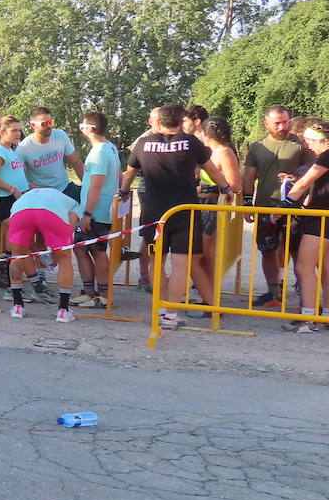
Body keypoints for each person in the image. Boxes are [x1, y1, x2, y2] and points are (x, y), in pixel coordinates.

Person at [118, 103, 229, 330]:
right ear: (181, 123)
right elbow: (213, 170)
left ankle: (160, 309)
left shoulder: (142, 143)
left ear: (158, 122)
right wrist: (226, 189)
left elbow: (129, 175)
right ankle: (170, 315)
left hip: (153, 213)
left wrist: (122, 192)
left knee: (156, 262)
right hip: (184, 212)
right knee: (181, 265)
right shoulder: (191, 142)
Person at [282, 119, 329, 332]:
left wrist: (286, 203)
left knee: (304, 266)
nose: (308, 146)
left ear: (319, 140)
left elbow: (306, 181)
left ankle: (308, 317)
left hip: (324, 219)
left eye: (309, 141)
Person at [241, 105, 303, 308]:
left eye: (285, 121)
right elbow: (249, 176)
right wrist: (248, 202)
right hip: (266, 206)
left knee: (298, 251)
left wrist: (296, 178)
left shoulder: (301, 144)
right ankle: (274, 293)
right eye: (277, 122)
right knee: (268, 250)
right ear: (265, 124)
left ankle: (305, 293)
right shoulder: (257, 147)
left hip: (296, 207)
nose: (283, 126)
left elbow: (313, 170)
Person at [5, 186, 82, 323]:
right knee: (65, 258)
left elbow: (9, 223)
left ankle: (17, 306)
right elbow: (70, 226)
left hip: (20, 210)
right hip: (50, 213)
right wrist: (55, 254)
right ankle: (63, 310)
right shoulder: (74, 204)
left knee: (17, 255)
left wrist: (41, 252)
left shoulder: (26, 197)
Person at [192, 116, 242, 302]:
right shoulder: (209, 153)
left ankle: (208, 298)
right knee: (207, 256)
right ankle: (209, 296)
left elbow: (235, 185)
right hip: (202, 205)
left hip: (213, 207)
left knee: (200, 254)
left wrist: (207, 188)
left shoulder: (225, 153)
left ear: (207, 135)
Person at [73, 112, 120, 307]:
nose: (81, 129)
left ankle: (101, 295)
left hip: (96, 212)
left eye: (82, 126)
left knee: (97, 251)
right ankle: (89, 292)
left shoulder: (99, 152)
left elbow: (96, 186)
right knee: (83, 249)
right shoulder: (110, 147)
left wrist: (87, 214)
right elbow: (119, 176)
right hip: (100, 210)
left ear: (91, 128)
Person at [0, 116, 28, 291]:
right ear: (3, 132)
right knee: (14, 242)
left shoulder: (11, 150)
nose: (18, 134)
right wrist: (12, 190)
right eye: (14, 130)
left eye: (19, 130)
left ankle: (11, 279)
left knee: (17, 241)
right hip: (8, 200)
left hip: (19, 199)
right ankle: (10, 281)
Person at [17, 106, 84, 201]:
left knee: (88, 205)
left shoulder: (61, 135)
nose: (49, 126)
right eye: (44, 124)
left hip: (65, 187)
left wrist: (86, 187)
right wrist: (34, 189)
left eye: (50, 122)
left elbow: (76, 162)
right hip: (42, 194)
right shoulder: (23, 148)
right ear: (33, 125)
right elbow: (19, 178)